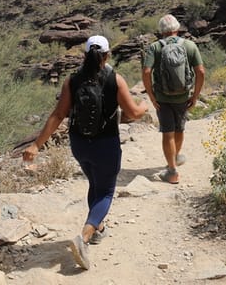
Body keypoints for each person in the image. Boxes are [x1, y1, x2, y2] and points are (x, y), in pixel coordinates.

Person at [22, 34, 149, 271]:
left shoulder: (72, 80)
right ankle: (85, 235)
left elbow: (58, 115)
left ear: (85, 55)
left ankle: (99, 228)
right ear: (107, 55)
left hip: (79, 144)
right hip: (106, 144)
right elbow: (132, 113)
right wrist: (144, 106)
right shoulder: (115, 79)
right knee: (107, 192)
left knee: (94, 183)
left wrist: (36, 145)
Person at [141, 14, 205, 185]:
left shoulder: (155, 47)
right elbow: (201, 72)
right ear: (177, 29)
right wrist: (195, 95)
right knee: (179, 129)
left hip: (162, 97)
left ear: (161, 31)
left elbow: (146, 72)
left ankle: (172, 170)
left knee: (167, 132)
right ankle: (175, 157)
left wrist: (151, 96)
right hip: (183, 96)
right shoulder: (190, 46)